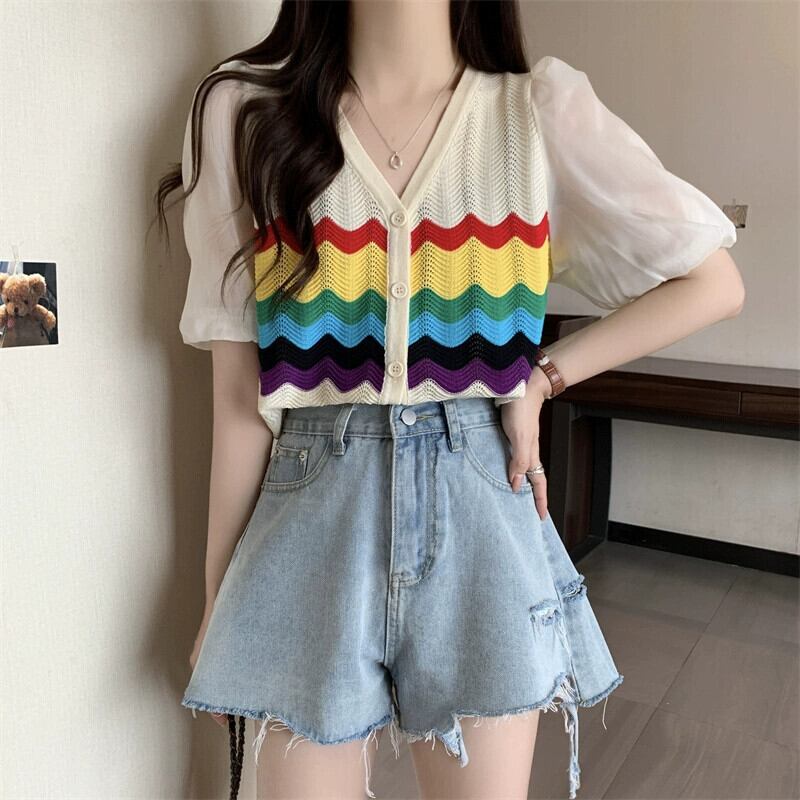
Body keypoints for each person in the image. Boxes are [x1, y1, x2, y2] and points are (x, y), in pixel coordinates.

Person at [155, 2, 744, 798]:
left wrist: (542, 377)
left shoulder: (534, 113)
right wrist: (217, 601)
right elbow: (238, 394)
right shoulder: (246, 113)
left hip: (483, 519)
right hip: (309, 518)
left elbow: (712, 282)